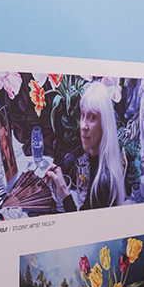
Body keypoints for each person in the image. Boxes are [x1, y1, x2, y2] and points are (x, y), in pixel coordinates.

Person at [42, 80, 126, 211]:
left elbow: (80, 227)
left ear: (105, 125)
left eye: (92, 117)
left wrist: (64, 192)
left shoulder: (102, 183)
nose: (83, 126)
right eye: (82, 115)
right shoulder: (100, 157)